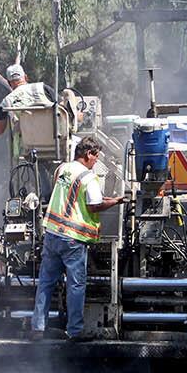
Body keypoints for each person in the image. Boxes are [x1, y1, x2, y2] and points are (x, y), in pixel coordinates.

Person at [29, 136, 128, 342]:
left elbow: (71, 196)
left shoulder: (62, 169)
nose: (96, 162)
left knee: (46, 282)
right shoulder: (88, 177)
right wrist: (115, 203)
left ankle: (38, 327)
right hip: (73, 239)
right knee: (76, 285)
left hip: (52, 233)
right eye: (96, 157)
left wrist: (111, 200)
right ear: (88, 154)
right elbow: (94, 205)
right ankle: (74, 331)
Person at [0, 64, 84, 162]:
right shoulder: (42, 88)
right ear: (26, 77)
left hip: (28, 147)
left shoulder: (6, 101)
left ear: (9, 83)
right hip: (57, 143)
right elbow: (65, 111)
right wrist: (78, 115)